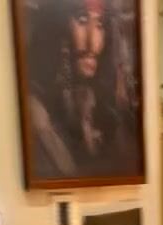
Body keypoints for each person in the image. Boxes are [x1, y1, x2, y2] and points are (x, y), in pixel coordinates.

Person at [27, 0, 140, 181]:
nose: (93, 43)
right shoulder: (37, 117)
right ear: (57, 26)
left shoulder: (105, 111)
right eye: (82, 20)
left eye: (100, 24)